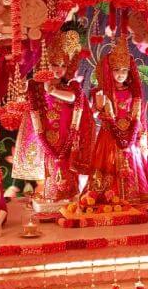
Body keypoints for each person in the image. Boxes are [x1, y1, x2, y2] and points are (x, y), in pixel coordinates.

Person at [12, 30, 94, 204]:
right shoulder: (36, 87)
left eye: (63, 66)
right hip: (47, 136)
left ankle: (70, 198)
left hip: (67, 136)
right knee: (50, 166)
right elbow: (22, 93)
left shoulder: (71, 86)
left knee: (67, 167)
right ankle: (51, 198)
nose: (59, 70)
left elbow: (73, 98)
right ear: (46, 64)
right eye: (55, 65)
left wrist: (53, 90)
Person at [87, 37, 148, 204]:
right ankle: (110, 197)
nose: (121, 74)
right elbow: (92, 115)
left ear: (129, 72)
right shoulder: (101, 92)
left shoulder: (133, 92)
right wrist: (98, 108)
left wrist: (137, 136)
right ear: (109, 71)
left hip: (130, 134)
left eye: (124, 70)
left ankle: (133, 196)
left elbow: (136, 116)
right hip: (109, 136)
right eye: (116, 70)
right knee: (108, 167)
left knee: (132, 163)